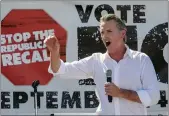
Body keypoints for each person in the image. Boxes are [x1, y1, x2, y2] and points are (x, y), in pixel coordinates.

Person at [44, 14, 160, 115]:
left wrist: (120, 93)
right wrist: (54, 52)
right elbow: (60, 70)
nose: (104, 36)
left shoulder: (141, 60)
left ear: (122, 33)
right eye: (102, 32)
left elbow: (153, 97)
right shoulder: (96, 61)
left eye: (109, 31)